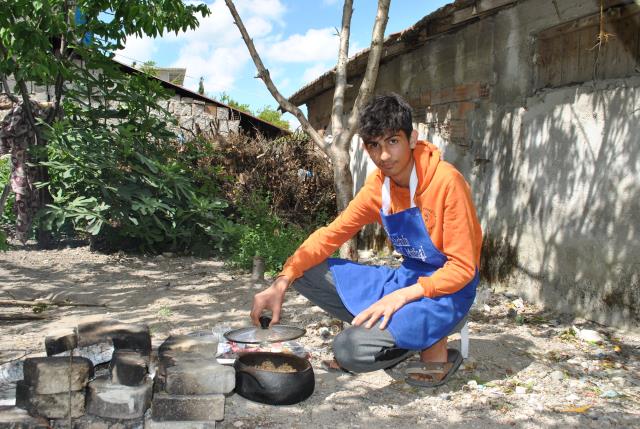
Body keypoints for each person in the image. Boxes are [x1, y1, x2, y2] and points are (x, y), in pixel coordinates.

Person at [250, 93, 482, 387]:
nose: (384, 156)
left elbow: (463, 268)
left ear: (412, 138)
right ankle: (395, 337)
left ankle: (424, 338)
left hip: (449, 290)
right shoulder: (378, 187)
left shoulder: (447, 182)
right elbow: (332, 233)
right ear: (366, 147)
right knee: (305, 270)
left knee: (349, 349)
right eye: (375, 145)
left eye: (393, 141)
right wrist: (281, 281)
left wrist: (400, 297)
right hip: (407, 279)